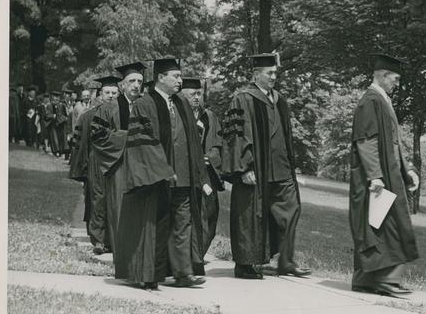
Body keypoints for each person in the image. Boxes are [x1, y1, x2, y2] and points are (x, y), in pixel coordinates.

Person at [115, 57, 210, 290]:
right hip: (156, 178)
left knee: (183, 224)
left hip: (184, 178)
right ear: (160, 78)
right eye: (175, 76)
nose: (180, 80)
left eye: (179, 76)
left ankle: (183, 273)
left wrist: (200, 175)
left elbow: (193, 144)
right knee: (155, 225)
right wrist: (163, 170)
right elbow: (143, 141)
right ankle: (150, 273)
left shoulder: (182, 104)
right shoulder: (145, 104)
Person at [222, 53, 311, 280]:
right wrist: (243, 168)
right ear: (255, 74)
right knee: (251, 214)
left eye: (275, 72)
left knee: (291, 210)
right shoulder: (243, 99)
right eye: (269, 73)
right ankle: (245, 264)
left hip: (281, 169)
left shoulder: (279, 99)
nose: (274, 76)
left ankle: (286, 261)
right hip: (256, 169)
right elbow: (236, 136)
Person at [349, 54, 420, 296]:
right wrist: (375, 176)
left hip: (388, 173)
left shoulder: (383, 100)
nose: (397, 84)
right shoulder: (370, 100)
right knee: (381, 227)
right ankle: (384, 280)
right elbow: (365, 141)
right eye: (395, 78)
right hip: (376, 177)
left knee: (381, 225)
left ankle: (366, 280)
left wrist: (408, 168)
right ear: (383, 75)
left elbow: (394, 142)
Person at [91, 62, 145, 256]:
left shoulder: (147, 106)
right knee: (118, 206)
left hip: (142, 165)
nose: (136, 85)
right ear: (122, 85)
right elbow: (98, 136)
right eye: (132, 81)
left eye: (139, 81)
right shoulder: (109, 108)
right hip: (118, 164)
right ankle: (119, 248)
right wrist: (127, 136)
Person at [70, 77, 120, 254]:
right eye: (107, 92)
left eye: (114, 93)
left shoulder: (123, 113)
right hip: (96, 163)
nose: (111, 96)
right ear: (100, 95)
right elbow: (79, 144)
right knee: (97, 200)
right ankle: (98, 240)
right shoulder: (87, 116)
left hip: (116, 164)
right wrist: (82, 168)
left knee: (115, 201)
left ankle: (113, 240)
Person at [181, 77, 224, 254]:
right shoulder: (177, 115)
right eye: (192, 94)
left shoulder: (210, 117)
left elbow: (218, 144)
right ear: (182, 96)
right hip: (186, 173)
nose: (196, 97)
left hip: (207, 174)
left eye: (199, 93)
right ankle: (190, 256)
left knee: (210, 214)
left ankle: (198, 253)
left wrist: (210, 157)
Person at [48, 91, 69, 157]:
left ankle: (60, 151)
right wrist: (52, 116)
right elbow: (46, 115)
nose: (55, 101)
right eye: (54, 99)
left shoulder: (62, 106)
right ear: (52, 99)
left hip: (60, 125)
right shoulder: (49, 105)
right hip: (53, 124)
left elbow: (65, 115)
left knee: (60, 138)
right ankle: (55, 151)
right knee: (54, 138)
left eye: (57, 99)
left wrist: (64, 118)